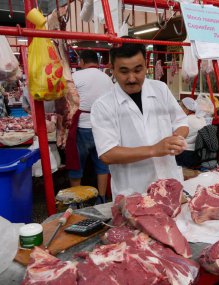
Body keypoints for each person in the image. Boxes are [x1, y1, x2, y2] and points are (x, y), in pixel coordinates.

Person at [90, 39, 189, 198]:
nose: (131, 78)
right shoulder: (103, 105)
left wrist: (176, 139)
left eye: (138, 70)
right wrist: (154, 149)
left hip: (169, 182)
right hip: (133, 192)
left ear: (145, 66)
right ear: (112, 70)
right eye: (124, 71)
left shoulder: (160, 89)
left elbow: (181, 121)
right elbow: (107, 153)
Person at [65, 50, 114, 204]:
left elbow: (67, 100)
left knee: (76, 165)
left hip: (82, 126)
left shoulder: (75, 76)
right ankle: (101, 198)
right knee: (102, 164)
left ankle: (76, 201)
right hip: (102, 126)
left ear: (82, 61)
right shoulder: (107, 78)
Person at [175, 97, 206, 168]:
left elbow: (177, 136)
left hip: (184, 153)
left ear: (186, 108)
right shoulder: (202, 118)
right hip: (198, 153)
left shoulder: (185, 120)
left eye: (181, 107)